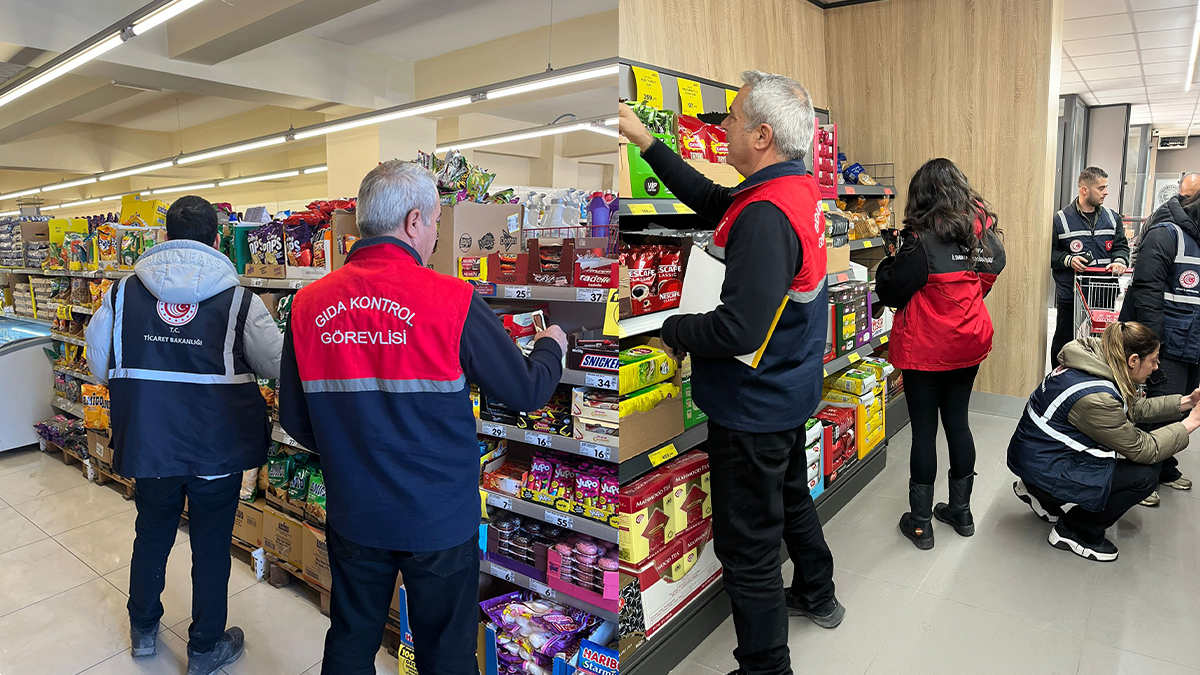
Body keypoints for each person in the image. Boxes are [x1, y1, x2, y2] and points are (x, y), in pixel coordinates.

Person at [278, 160, 566, 675]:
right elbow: (526, 391)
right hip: (437, 520)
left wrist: (354, 452)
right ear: (414, 222)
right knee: (446, 653)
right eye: (434, 222)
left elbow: (298, 423)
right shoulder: (452, 300)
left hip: (354, 513)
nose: (435, 234)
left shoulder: (306, 305)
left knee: (350, 639)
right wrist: (551, 348)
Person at [619, 69, 841, 675]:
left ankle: (765, 666)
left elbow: (738, 330)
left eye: (734, 118)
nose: (723, 126)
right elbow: (712, 200)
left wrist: (673, 329)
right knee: (791, 494)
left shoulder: (767, 215)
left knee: (747, 546)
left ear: (762, 135)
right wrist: (646, 140)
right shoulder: (787, 191)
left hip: (752, 404)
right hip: (787, 391)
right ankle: (818, 591)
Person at [85, 195, 283, 675]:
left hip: (150, 442)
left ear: (166, 238)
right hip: (217, 448)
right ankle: (204, 648)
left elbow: (97, 360)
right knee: (212, 545)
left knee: (151, 532)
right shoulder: (240, 301)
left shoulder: (122, 294)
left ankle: (144, 632)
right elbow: (277, 365)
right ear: (218, 240)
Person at [874, 159, 1006, 550]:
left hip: (926, 349)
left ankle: (921, 524)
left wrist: (889, 261)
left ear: (923, 195)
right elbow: (991, 269)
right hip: (968, 341)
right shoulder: (980, 232)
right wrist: (965, 297)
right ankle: (961, 513)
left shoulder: (920, 239)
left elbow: (891, 291)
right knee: (958, 423)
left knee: (924, 432)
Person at [1008, 322, 1200, 561]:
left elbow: (1133, 408)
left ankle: (1041, 494)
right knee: (1144, 477)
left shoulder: (1094, 362)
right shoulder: (1097, 398)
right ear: (1133, 361)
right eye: (1153, 359)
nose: (1156, 366)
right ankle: (1076, 530)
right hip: (1043, 463)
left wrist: (1187, 402)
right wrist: (1192, 422)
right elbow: (1143, 449)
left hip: (1036, 455)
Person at [1119, 179, 1200, 506]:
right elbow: (1147, 295)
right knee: (1159, 408)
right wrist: (1154, 349)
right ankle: (1143, 475)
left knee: (1181, 409)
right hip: (1165, 343)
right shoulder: (1166, 235)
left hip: (1193, 343)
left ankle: (1165, 466)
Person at [1049, 167, 1129, 363]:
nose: (1106, 192)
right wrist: (1068, 259)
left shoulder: (1112, 218)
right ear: (1084, 190)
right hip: (1072, 293)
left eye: (1106, 187)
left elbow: (1121, 247)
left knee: (1103, 343)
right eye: (1101, 188)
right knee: (1064, 341)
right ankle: (1058, 379)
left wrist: (1119, 261)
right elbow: (1048, 254)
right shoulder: (1060, 219)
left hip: (1104, 292)